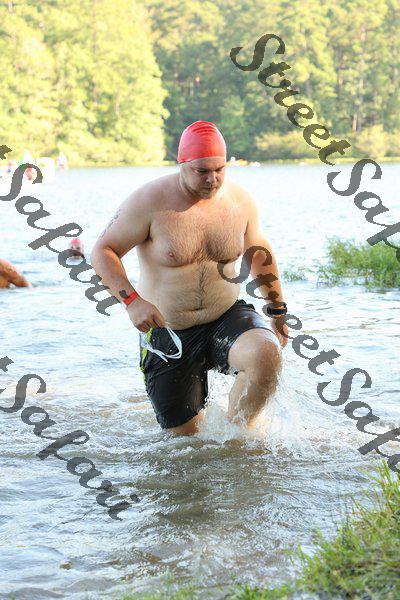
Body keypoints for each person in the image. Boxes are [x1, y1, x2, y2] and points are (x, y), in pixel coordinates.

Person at [91, 120, 288, 436]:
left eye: (219, 170)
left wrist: (277, 311)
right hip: (169, 331)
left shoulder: (240, 201)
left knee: (266, 353)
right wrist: (132, 302)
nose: (212, 179)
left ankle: (238, 439)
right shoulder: (148, 201)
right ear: (181, 163)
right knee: (185, 444)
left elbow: (259, 254)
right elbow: (103, 251)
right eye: (201, 171)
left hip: (225, 316)